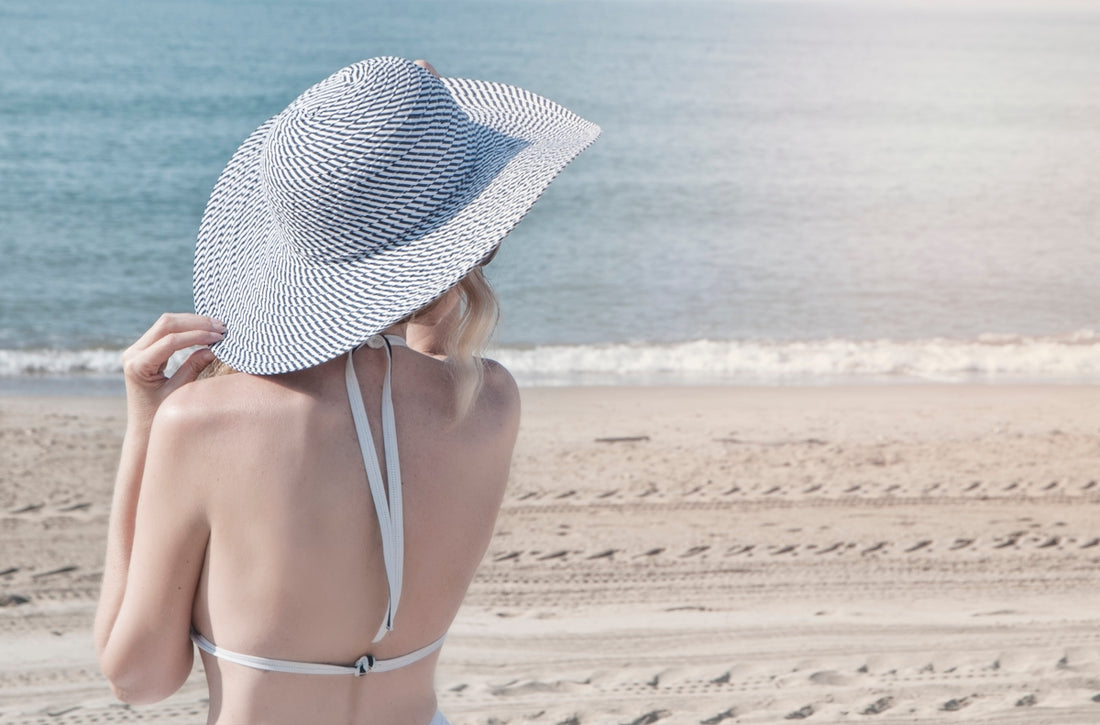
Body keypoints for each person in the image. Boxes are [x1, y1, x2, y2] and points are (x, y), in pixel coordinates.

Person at [94, 56, 599, 724]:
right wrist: (445, 252)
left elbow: (138, 676)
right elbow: (410, 385)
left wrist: (146, 428)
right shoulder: (487, 404)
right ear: (472, 243)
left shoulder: (202, 423)